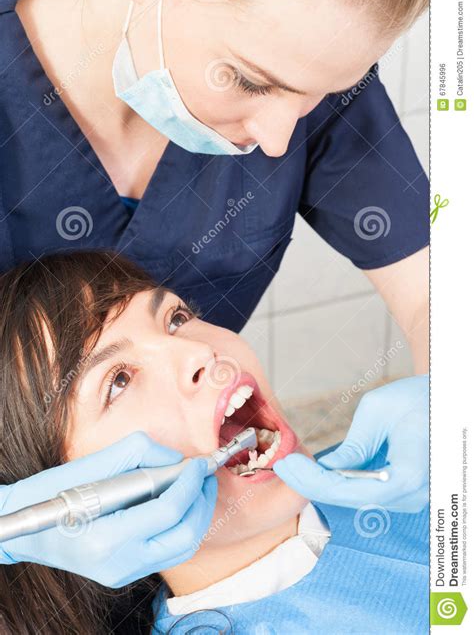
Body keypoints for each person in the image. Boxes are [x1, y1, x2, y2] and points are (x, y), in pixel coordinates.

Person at [0, 0, 429, 586]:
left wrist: (453, 396)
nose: (280, 142)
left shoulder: (303, 50)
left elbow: (436, 287)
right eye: (253, 84)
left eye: (177, 317)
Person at [0, 252, 428, 634]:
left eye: (176, 319)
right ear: (77, 492)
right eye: (119, 380)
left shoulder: (409, 464)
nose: (198, 353)